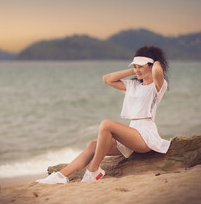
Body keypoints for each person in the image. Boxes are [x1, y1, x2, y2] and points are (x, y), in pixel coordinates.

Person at [36, 45, 172, 184]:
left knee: (106, 124)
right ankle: (60, 176)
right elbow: (107, 79)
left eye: (140, 66)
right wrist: (136, 69)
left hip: (145, 136)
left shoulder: (158, 86)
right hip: (132, 133)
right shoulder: (133, 85)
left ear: (151, 65)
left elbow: (157, 71)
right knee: (92, 146)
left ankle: (93, 170)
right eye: (135, 66)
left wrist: (156, 60)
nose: (136, 70)